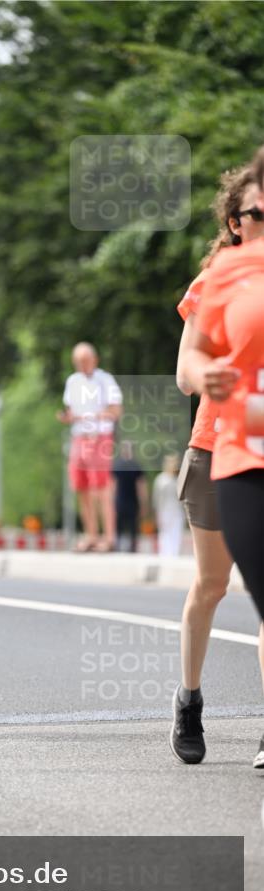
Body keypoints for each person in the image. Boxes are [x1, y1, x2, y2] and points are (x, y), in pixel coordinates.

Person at [171, 160, 264, 766]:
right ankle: (190, 699)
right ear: (236, 222)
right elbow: (186, 373)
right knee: (212, 585)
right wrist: (215, 377)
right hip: (218, 448)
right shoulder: (219, 277)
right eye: (261, 215)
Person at [57, 342, 122, 552]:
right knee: (81, 487)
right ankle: (91, 535)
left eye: (85, 360)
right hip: (79, 437)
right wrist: (67, 417)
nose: (82, 365)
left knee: (101, 488)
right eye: (78, 362)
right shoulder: (73, 381)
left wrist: (95, 416)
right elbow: (71, 410)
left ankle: (109, 537)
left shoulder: (105, 380)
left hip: (100, 436)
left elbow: (116, 411)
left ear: (94, 359)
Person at [111, 439, 148, 553]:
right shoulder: (136, 465)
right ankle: (132, 549)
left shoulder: (117, 464)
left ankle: (118, 547)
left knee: (119, 526)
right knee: (132, 526)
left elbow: (113, 485)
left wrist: (112, 501)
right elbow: (141, 486)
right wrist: (144, 503)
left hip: (121, 500)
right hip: (132, 501)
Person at [152, 454, 184, 556]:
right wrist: (157, 513)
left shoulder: (178, 479)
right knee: (164, 534)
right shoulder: (161, 480)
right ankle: (165, 554)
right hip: (164, 511)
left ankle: (174, 554)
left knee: (176, 533)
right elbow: (157, 499)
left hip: (177, 511)